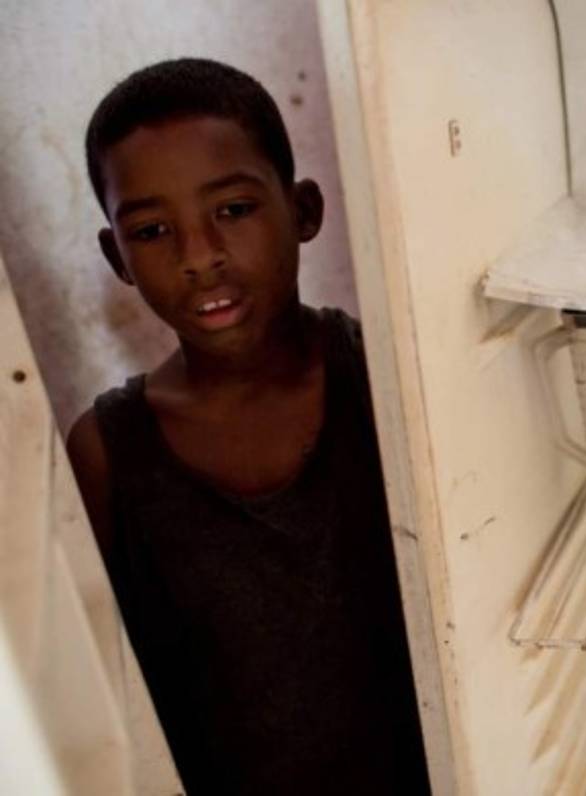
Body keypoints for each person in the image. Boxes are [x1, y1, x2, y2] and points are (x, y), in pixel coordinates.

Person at [66, 58, 429, 794]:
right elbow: (97, 697)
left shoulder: (389, 382)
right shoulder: (108, 455)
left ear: (302, 210)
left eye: (232, 210)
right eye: (153, 230)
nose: (199, 257)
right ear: (116, 257)